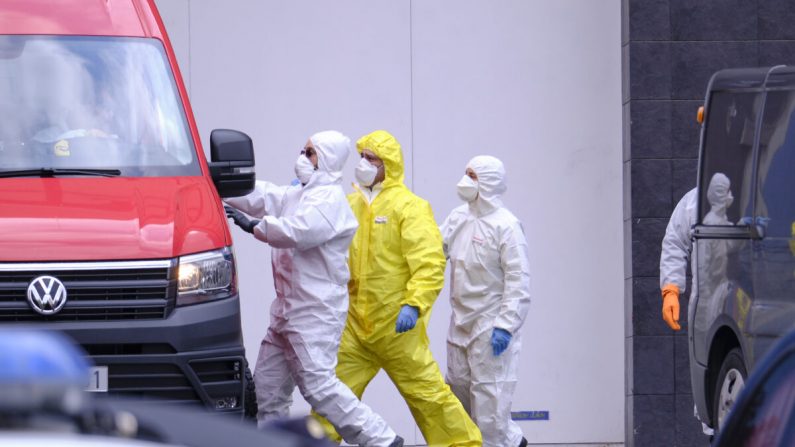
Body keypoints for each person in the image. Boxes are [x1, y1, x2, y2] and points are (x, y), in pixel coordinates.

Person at [225, 130, 403, 447]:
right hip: (286, 311)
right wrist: (218, 187)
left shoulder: (329, 201)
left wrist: (255, 225)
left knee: (319, 387)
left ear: (327, 159)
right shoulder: (300, 194)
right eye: (303, 150)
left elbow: (299, 231)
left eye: (310, 153)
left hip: (314, 313)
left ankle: (381, 439)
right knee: (267, 390)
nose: (302, 157)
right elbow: (263, 196)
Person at [316, 130, 482, 446]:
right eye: (361, 156)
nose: (363, 163)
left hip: (396, 327)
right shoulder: (348, 204)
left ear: (387, 164)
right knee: (330, 396)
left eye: (371, 158)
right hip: (355, 327)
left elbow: (429, 262)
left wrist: (414, 304)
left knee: (429, 397)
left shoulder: (409, 207)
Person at [440, 156, 531, 447]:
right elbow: (434, 250)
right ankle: (513, 441)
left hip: (490, 322)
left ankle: (500, 442)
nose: (465, 180)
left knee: (490, 402)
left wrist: (506, 324)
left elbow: (518, 278)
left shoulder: (506, 226)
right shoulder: (458, 217)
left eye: (472, 175)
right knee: (458, 391)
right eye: (466, 172)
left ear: (488, 181)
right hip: (460, 321)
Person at [659, 187, 697, 331]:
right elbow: (675, 243)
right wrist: (671, 290)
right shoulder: (694, 201)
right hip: (707, 302)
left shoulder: (760, 193)